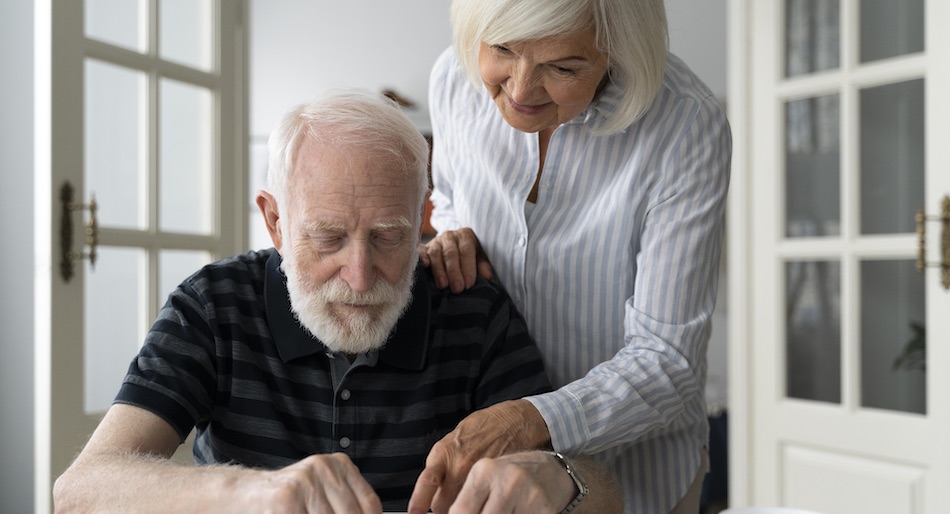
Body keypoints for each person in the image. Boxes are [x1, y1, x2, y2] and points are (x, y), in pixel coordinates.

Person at [53, 89, 622, 513]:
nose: (358, 276)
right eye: (328, 238)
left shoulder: (474, 313)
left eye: (388, 236)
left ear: (424, 214)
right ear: (275, 221)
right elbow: (80, 490)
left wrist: (560, 478)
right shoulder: (212, 305)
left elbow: (605, 492)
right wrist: (252, 491)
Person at [410, 1, 732, 513]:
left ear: (617, 51)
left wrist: (529, 421)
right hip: (491, 471)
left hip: (638, 474)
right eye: (502, 50)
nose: (519, 90)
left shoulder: (685, 126)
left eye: (562, 67)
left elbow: (668, 359)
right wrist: (452, 236)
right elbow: (449, 198)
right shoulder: (453, 78)